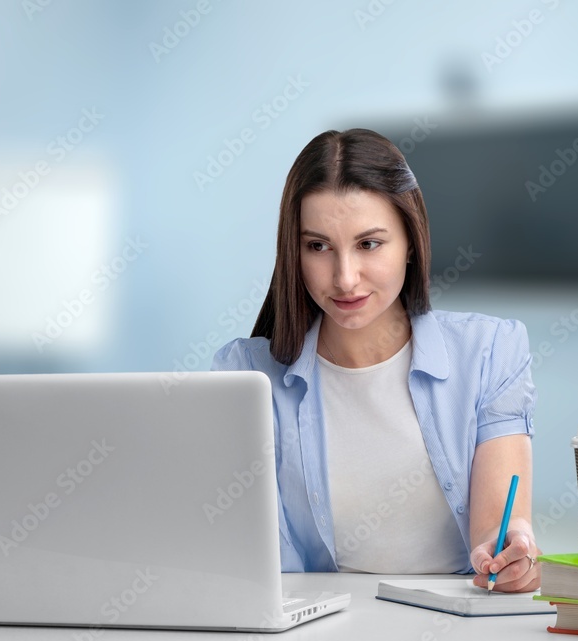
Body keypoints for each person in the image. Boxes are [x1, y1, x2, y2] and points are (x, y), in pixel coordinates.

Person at [210, 128, 541, 593]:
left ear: (411, 243)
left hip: (455, 621)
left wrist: (513, 552)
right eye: (318, 246)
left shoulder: (490, 352)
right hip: (314, 626)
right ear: (293, 252)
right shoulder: (245, 375)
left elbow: (498, 528)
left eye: (369, 244)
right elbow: (233, 548)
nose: (345, 278)